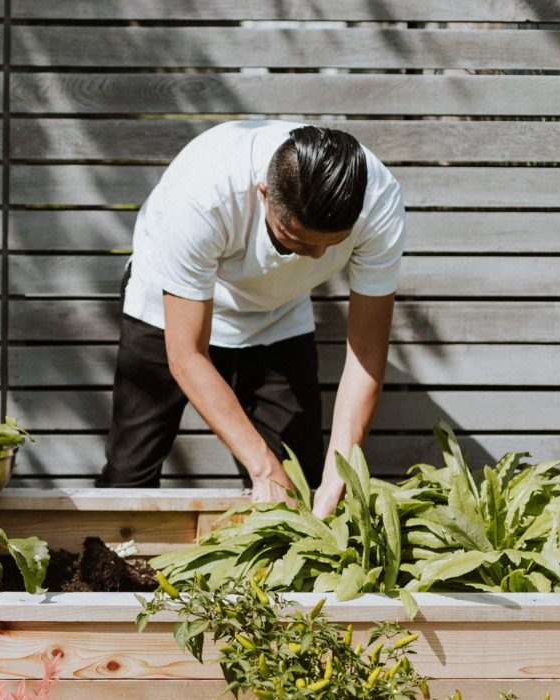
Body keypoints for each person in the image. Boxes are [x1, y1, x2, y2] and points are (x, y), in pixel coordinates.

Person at [95, 120, 405, 517]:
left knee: (299, 481)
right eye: (295, 240)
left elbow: (365, 351)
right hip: (166, 307)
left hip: (278, 312)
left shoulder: (379, 202)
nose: (314, 257)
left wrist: (338, 476)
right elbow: (187, 354)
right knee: (129, 475)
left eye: (332, 245)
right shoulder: (203, 194)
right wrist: (262, 467)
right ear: (264, 195)